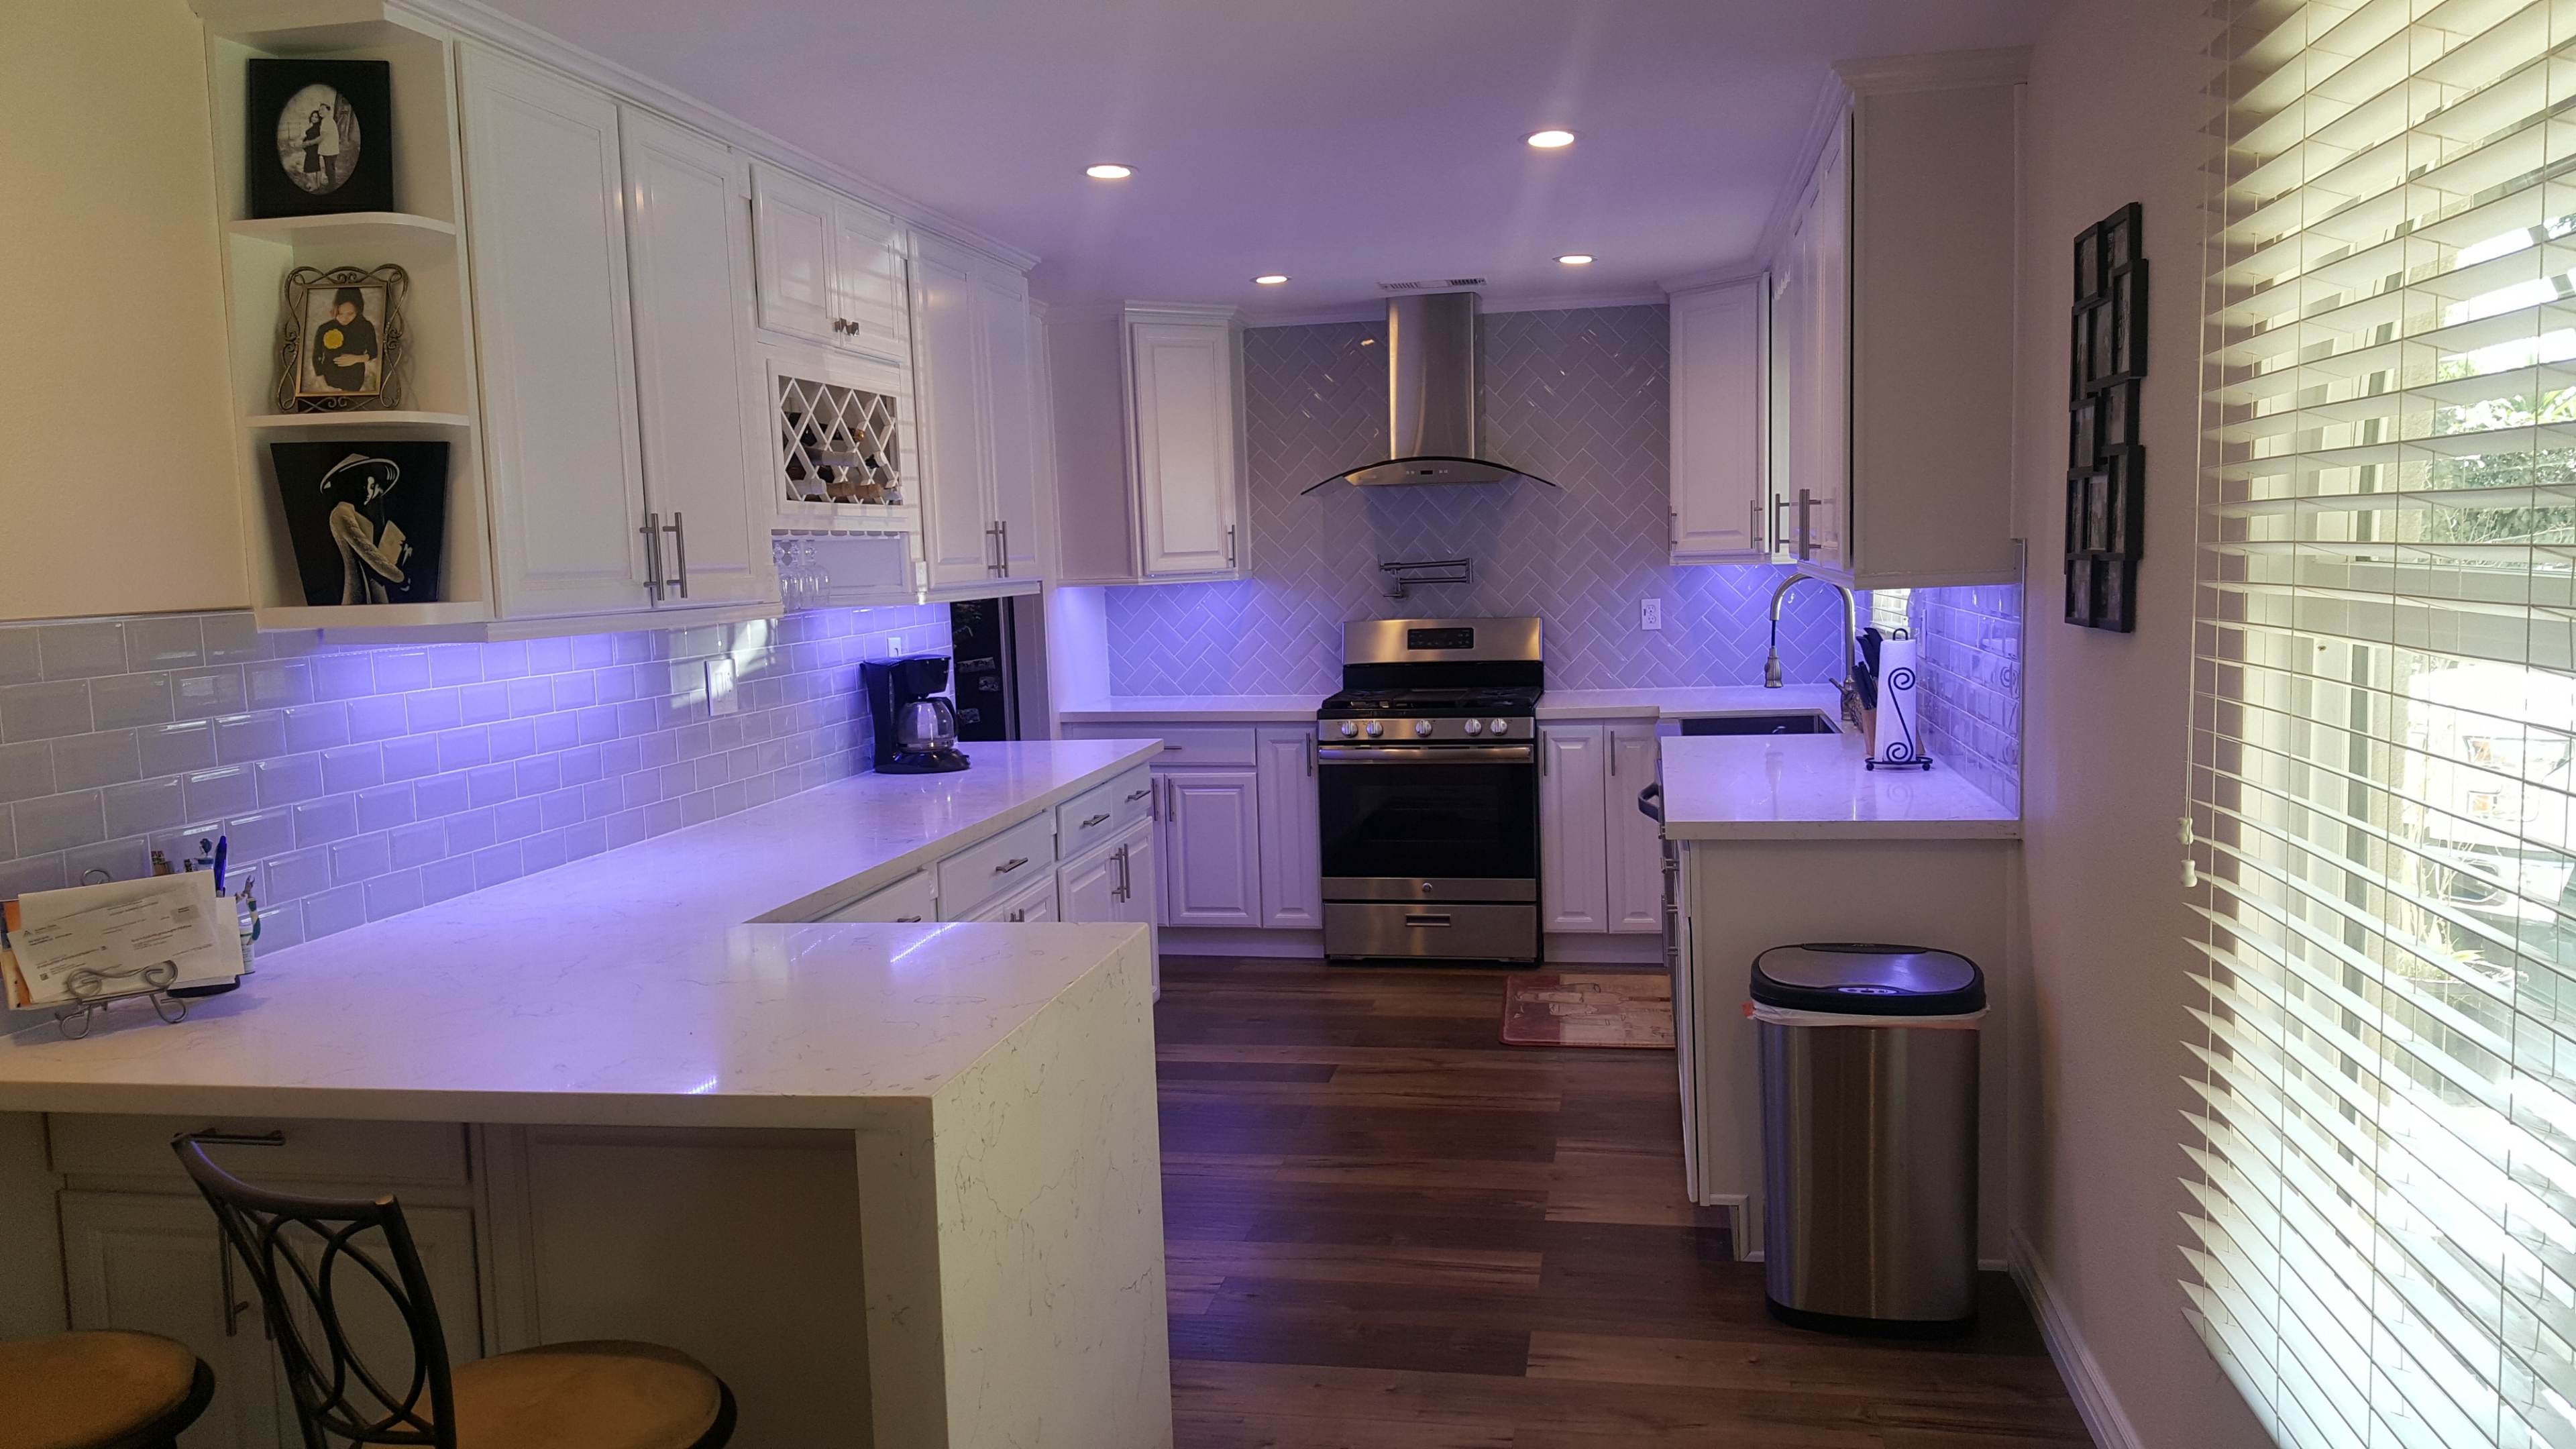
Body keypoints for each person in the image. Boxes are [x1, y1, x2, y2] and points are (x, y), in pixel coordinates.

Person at [310, 287, 377, 394]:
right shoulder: (324, 328)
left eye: (350, 314)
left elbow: (374, 352)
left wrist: (356, 359)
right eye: (340, 314)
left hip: (354, 382)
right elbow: (316, 358)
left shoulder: (366, 327)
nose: (345, 318)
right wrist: (325, 387)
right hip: (329, 383)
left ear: (358, 311)